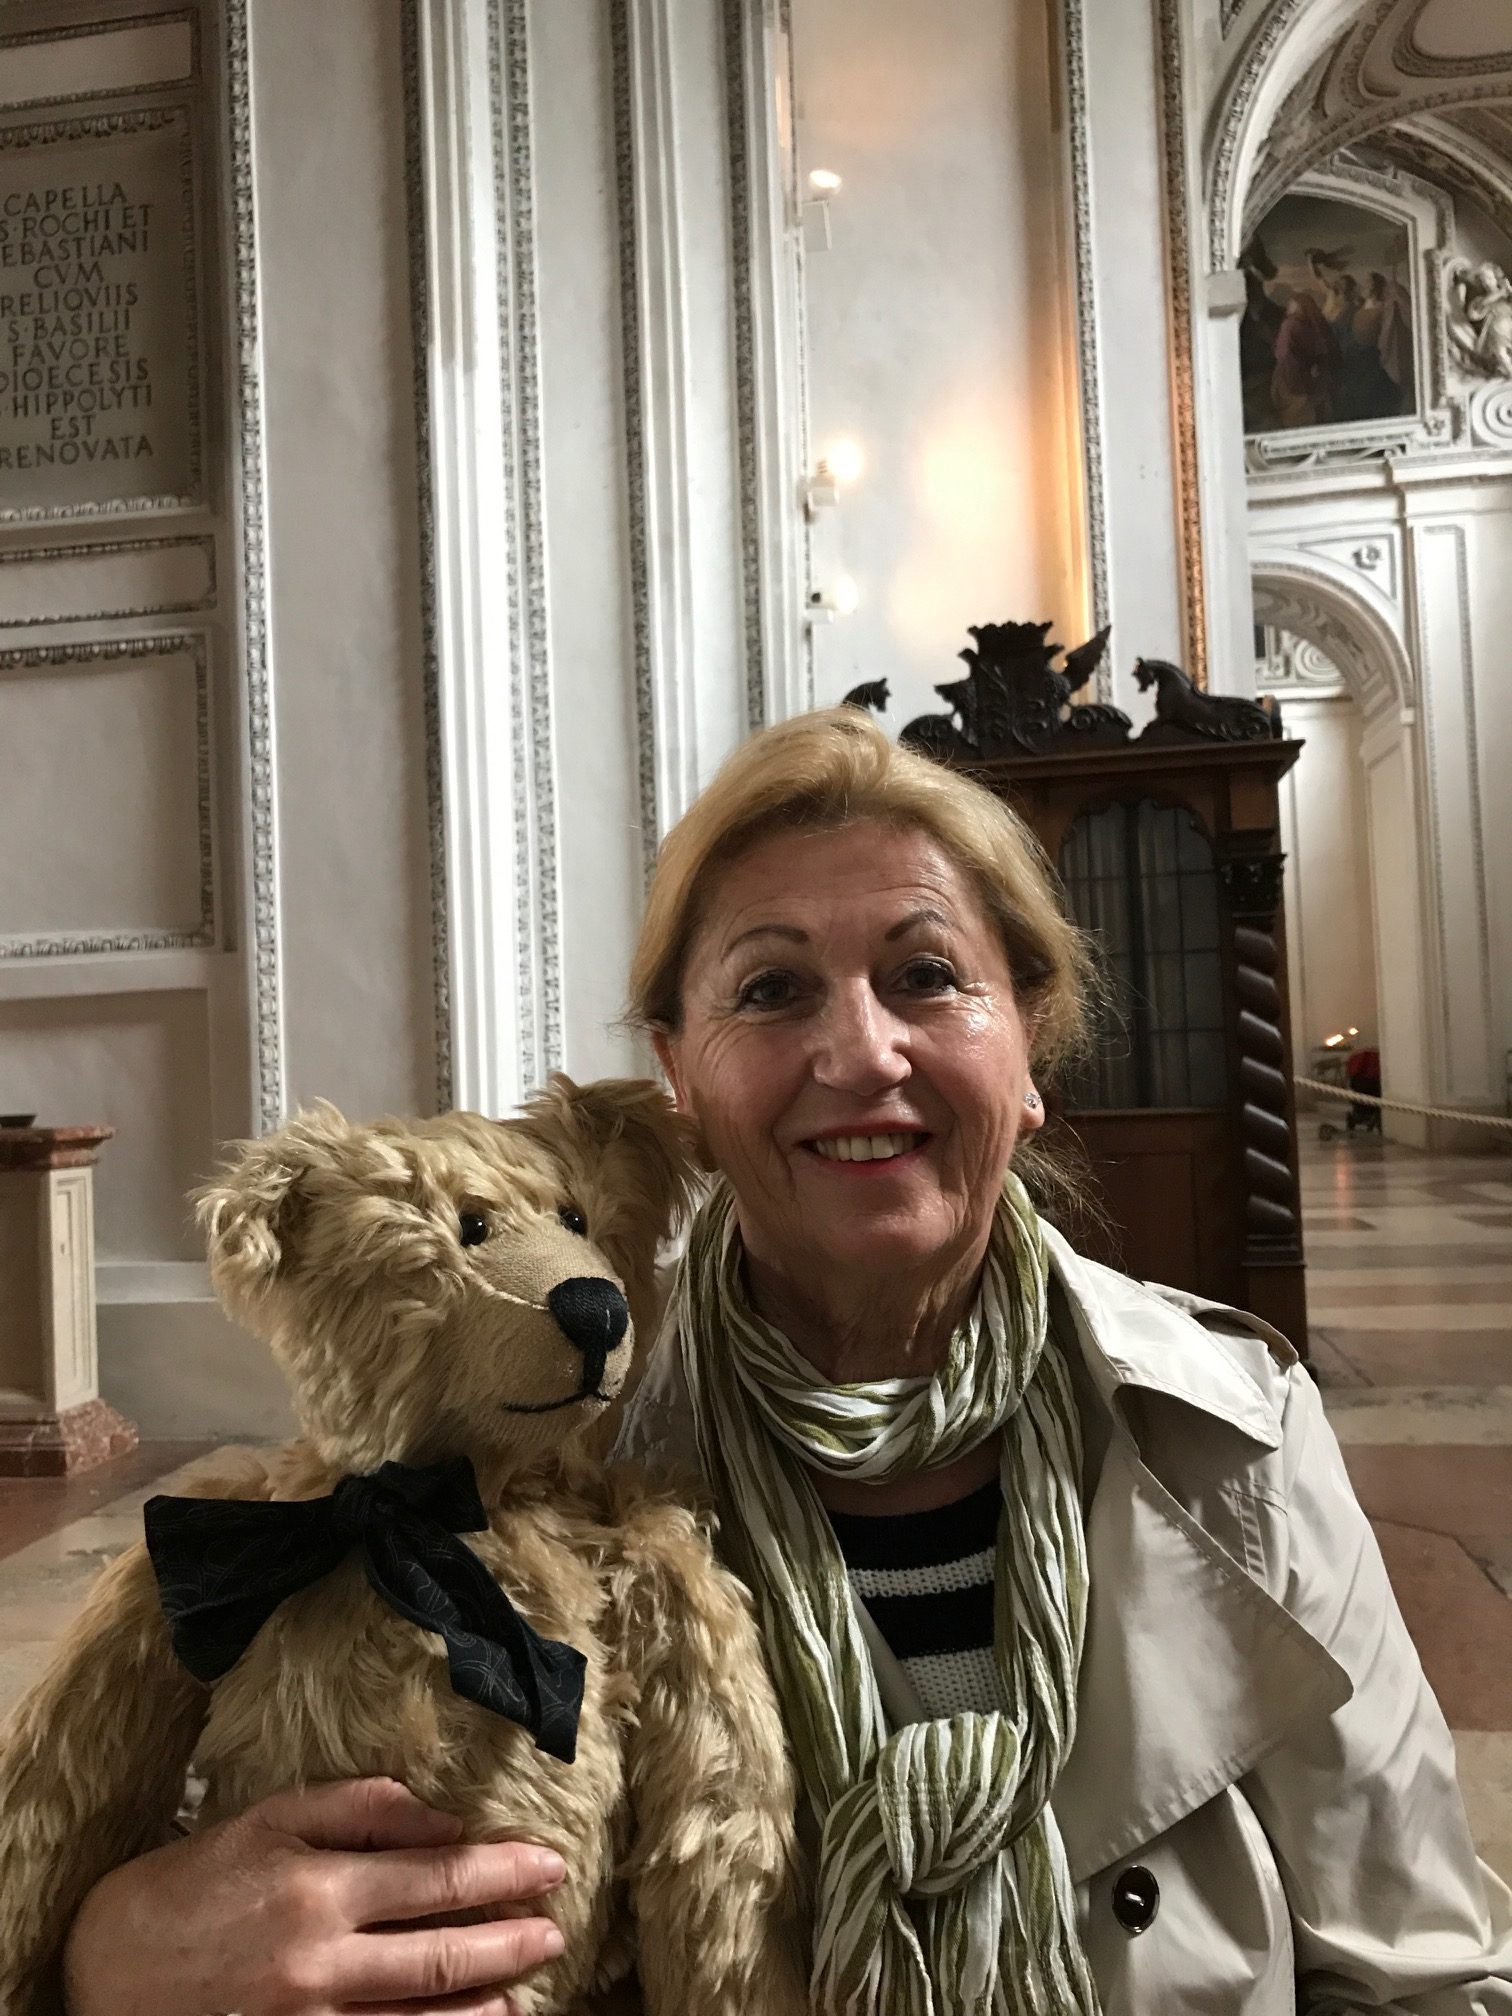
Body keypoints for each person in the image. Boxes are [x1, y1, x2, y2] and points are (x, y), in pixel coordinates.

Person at [57, 710, 1512, 2012]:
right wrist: (108, 1952)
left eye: (928, 974)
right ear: (678, 1076)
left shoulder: (1233, 1432)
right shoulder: (546, 1460)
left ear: (1031, 1054)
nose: (860, 1050)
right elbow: (287, 1824)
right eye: (771, 991)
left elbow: (1426, 1972)